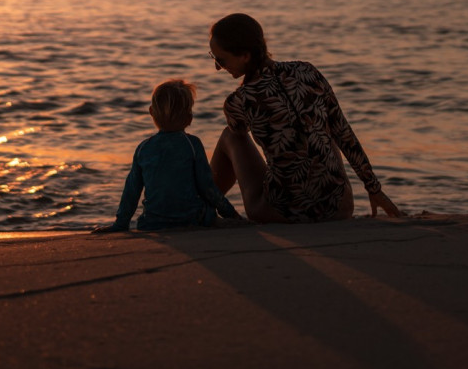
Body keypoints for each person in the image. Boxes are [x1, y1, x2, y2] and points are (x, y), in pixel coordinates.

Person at [208, 13, 403, 223]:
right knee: (320, 126)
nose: (218, 67)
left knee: (230, 136)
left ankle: (201, 205)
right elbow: (343, 133)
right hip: (339, 208)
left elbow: (240, 131)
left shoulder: (238, 101)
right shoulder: (308, 71)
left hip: (282, 213)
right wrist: (374, 189)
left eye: (220, 60)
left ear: (245, 56)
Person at [95, 79, 242, 232]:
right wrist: (231, 214)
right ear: (189, 118)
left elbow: (131, 191)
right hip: (193, 220)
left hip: (152, 223)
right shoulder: (192, 144)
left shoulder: (143, 148)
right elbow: (207, 187)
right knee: (205, 209)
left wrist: (121, 224)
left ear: (151, 112)